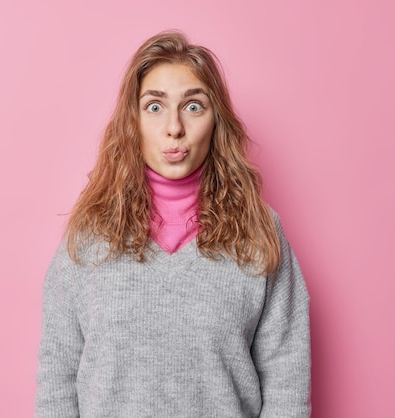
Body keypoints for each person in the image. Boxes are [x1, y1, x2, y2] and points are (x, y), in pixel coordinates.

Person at [35, 31, 311, 418]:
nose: (174, 127)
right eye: (154, 107)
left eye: (194, 106)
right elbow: (57, 374)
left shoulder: (259, 232)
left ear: (217, 121)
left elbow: (287, 381)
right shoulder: (88, 234)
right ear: (133, 120)